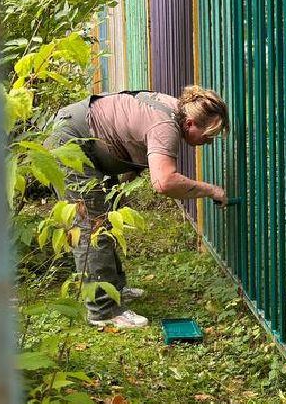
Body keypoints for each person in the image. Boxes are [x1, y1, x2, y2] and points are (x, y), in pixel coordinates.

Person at [45, 85, 229, 327]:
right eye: (208, 135)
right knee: (90, 225)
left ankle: (113, 289)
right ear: (191, 124)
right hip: (70, 142)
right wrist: (211, 190)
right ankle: (104, 311)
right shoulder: (165, 126)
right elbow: (164, 182)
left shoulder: (175, 111)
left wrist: (121, 188)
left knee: (104, 219)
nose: (209, 143)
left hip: (85, 140)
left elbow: (130, 137)